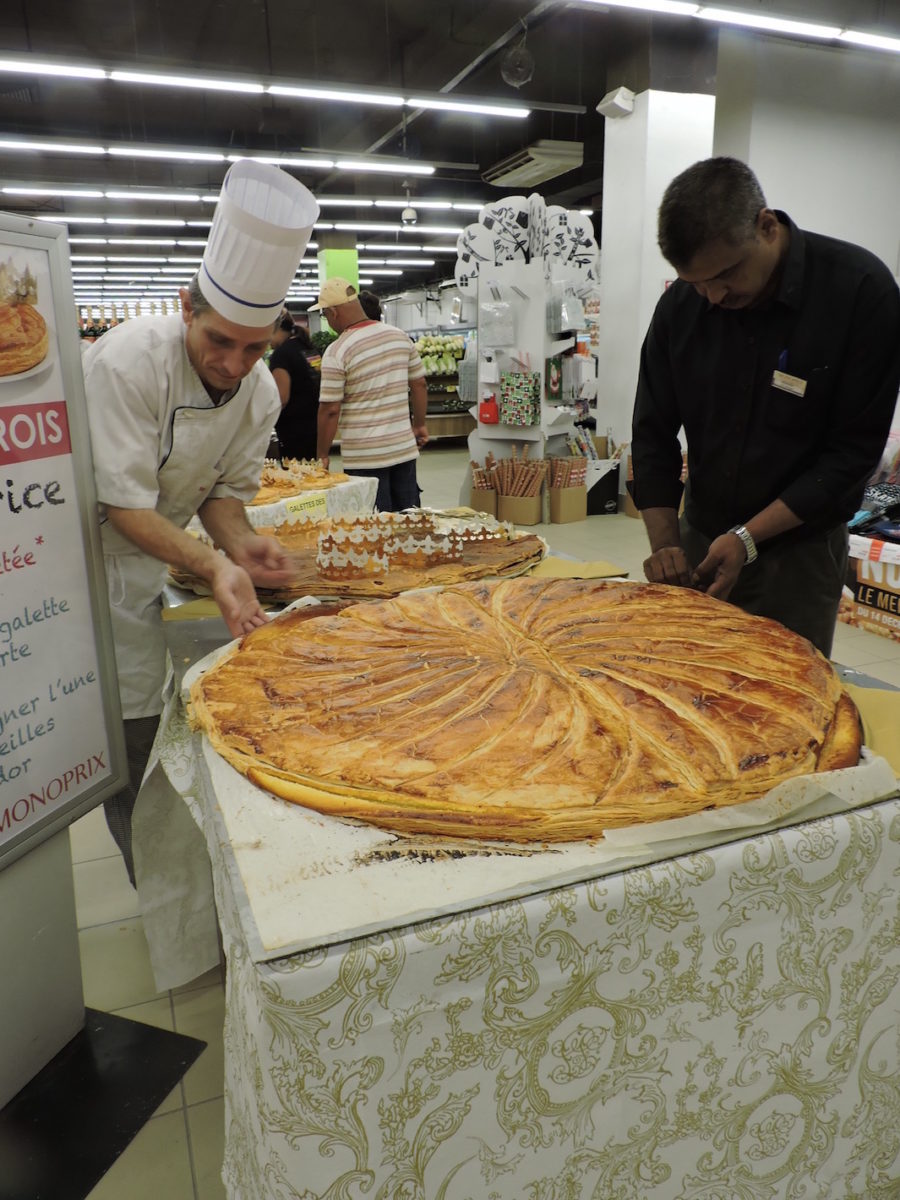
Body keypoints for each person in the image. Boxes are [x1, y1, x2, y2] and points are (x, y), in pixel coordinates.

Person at [83, 159, 318, 884]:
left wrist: (243, 545)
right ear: (187, 306)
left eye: (255, 349)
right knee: (126, 747)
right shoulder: (128, 363)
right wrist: (214, 565)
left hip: (157, 565)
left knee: (179, 735)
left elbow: (220, 493)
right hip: (89, 573)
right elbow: (123, 506)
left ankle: (202, 885)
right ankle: (158, 892)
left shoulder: (257, 393)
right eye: (219, 341)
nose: (233, 363)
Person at [630, 156, 900, 657]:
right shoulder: (682, 309)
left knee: (784, 699)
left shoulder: (860, 293)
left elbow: (852, 457)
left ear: (767, 226)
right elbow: (652, 432)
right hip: (701, 536)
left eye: (726, 275)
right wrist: (666, 542)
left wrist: (748, 538)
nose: (712, 296)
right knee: (685, 686)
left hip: (797, 553)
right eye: (696, 283)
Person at [312, 277, 429, 511]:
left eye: (324, 315)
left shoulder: (337, 351)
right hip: (403, 448)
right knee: (410, 522)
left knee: (373, 531)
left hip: (364, 456)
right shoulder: (400, 336)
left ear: (333, 312)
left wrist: (322, 455)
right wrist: (419, 425)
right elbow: (419, 384)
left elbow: (330, 409)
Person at [269, 310, 321, 461]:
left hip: (293, 430)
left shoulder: (281, 354)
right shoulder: (309, 348)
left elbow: (281, 398)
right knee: (316, 476)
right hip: (316, 426)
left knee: (295, 478)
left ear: (275, 328)